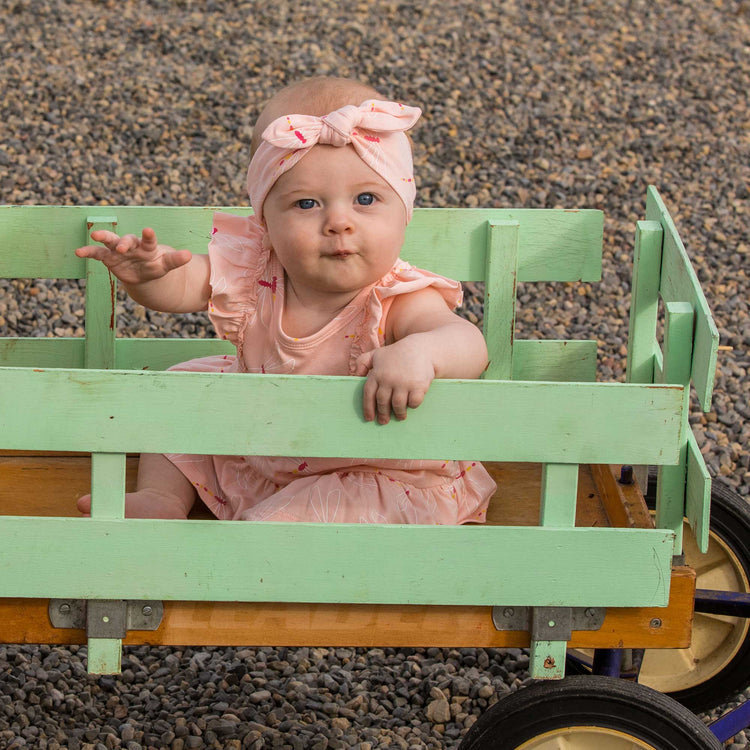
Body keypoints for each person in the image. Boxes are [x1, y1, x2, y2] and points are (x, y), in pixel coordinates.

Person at [75, 76, 496, 524]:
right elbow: (182, 288)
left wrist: (421, 352)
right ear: (265, 221)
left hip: (377, 471)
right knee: (183, 385)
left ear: (404, 211)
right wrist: (147, 278)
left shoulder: (396, 299)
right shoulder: (255, 272)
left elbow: (466, 341)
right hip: (267, 448)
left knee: (333, 504)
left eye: (366, 199)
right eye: (307, 204)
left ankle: (263, 539)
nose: (338, 222)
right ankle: (161, 498)